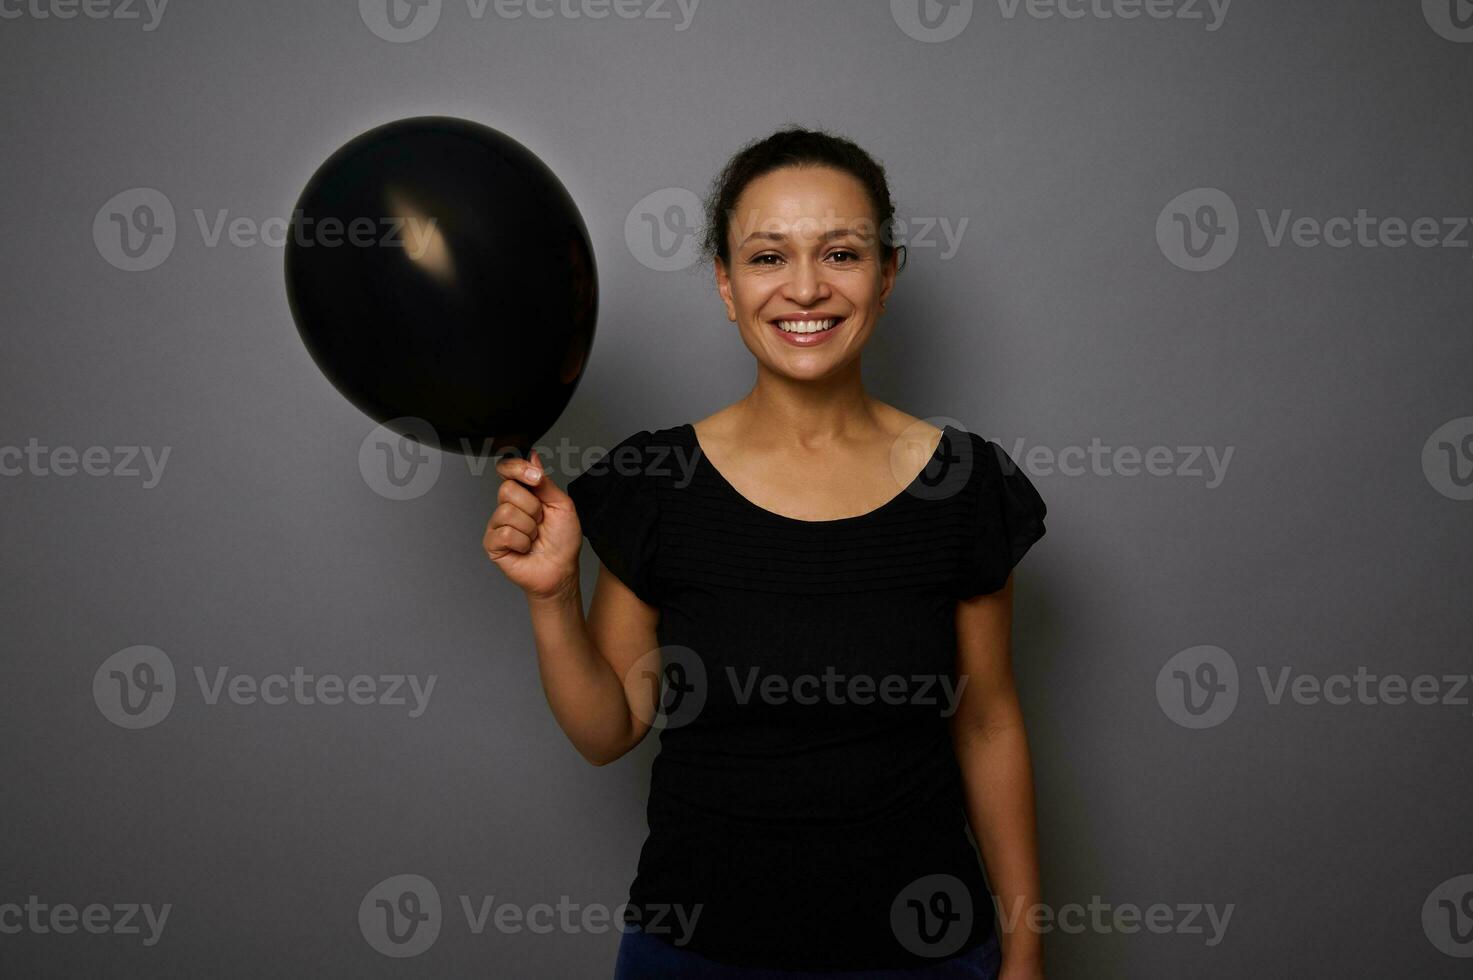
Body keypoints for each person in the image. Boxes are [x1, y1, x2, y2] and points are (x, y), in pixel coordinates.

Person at [483, 126, 1048, 979]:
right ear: (724, 282)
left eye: (842, 254)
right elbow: (609, 731)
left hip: (925, 953)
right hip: (696, 955)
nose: (807, 288)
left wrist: (1026, 952)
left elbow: (987, 722)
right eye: (767, 257)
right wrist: (551, 594)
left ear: (887, 276)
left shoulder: (962, 486)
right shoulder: (656, 480)